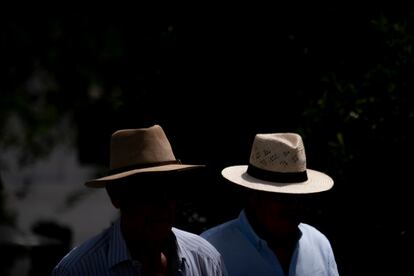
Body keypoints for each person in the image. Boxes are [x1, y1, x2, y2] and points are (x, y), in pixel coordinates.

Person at [52, 124, 227, 276]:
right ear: (116, 196)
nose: (163, 203)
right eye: (148, 191)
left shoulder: (205, 260)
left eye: (171, 188)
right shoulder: (79, 270)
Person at [201, 132, 339, 276]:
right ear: (254, 195)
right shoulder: (211, 250)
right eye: (283, 198)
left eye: (300, 197)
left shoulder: (319, 244)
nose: (294, 206)